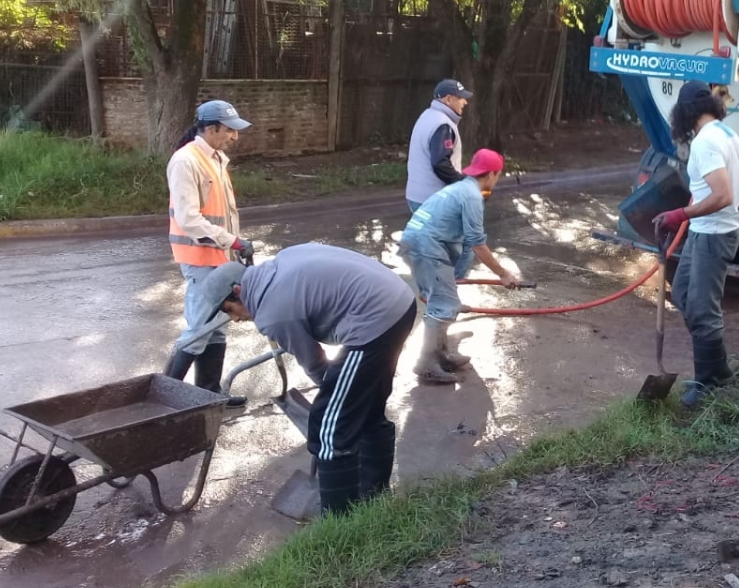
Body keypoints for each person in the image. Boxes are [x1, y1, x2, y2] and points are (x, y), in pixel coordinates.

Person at [187, 243, 418, 516]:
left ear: (238, 291)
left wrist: (337, 396)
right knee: (365, 409)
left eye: (228, 310)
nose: (234, 320)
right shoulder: (281, 262)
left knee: (329, 427)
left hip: (375, 320)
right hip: (399, 302)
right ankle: (374, 499)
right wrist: (347, 393)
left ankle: (340, 521)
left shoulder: (275, 313)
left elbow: (316, 364)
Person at [653, 80, 739, 409]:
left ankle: (709, 382)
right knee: (682, 293)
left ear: (683, 113)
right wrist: (731, 214)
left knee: (702, 309)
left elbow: (723, 194)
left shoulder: (706, 142)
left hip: (713, 235)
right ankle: (719, 369)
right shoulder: (728, 133)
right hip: (705, 230)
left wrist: (680, 213)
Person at [161, 100, 254, 409]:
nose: (234, 136)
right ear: (212, 128)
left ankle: (209, 394)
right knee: (200, 327)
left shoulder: (214, 159)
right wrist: (233, 241)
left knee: (216, 327)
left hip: (219, 258)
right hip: (200, 258)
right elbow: (189, 219)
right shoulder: (186, 160)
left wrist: (233, 245)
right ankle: (162, 400)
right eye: (230, 130)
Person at [399, 148, 521, 385]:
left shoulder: (460, 188)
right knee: (443, 305)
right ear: (492, 174)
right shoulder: (472, 196)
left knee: (443, 302)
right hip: (426, 247)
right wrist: (503, 274)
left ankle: (441, 354)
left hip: (417, 241)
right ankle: (425, 362)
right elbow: (477, 244)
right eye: (498, 175)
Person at [406, 79, 473, 212]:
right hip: (434, 200)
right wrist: (462, 182)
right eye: (461, 98)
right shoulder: (443, 125)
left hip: (417, 196)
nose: (465, 102)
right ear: (448, 99)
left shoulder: (427, 116)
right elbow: (440, 163)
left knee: (425, 233)